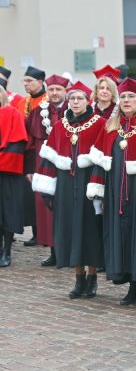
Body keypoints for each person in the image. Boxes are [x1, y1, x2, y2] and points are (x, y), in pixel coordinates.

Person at [87, 78, 136, 306]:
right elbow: (100, 161)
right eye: (124, 97)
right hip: (115, 193)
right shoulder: (110, 128)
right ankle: (130, 285)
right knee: (122, 239)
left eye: (132, 97)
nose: (127, 101)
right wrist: (97, 191)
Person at [31, 82, 105, 299]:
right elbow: (49, 157)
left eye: (79, 99)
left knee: (89, 230)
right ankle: (78, 278)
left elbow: (102, 156)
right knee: (70, 229)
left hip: (88, 182)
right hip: (65, 183)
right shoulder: (60, 126)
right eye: (72, 99)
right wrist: (48, 187)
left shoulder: (99, 123)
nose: (75, 102)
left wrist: (99, 186)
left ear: (87, 101)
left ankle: (92, 278)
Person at [25, 74, 70, 266]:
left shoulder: (74, 109)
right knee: (46, 209)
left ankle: (69, 251)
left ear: (65, 91)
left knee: (68, 208)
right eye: (51, 90)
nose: (54, 93)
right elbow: (28, 144)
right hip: (42, 166)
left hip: (68, 166)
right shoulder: (37, 113)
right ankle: (53, 251)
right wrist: (29, 170)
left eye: (58, 89)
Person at [0, 86, 28, 267]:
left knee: (8, 212)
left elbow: (17, 143)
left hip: (7, 173)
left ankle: (7, 250)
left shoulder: (12, 113)